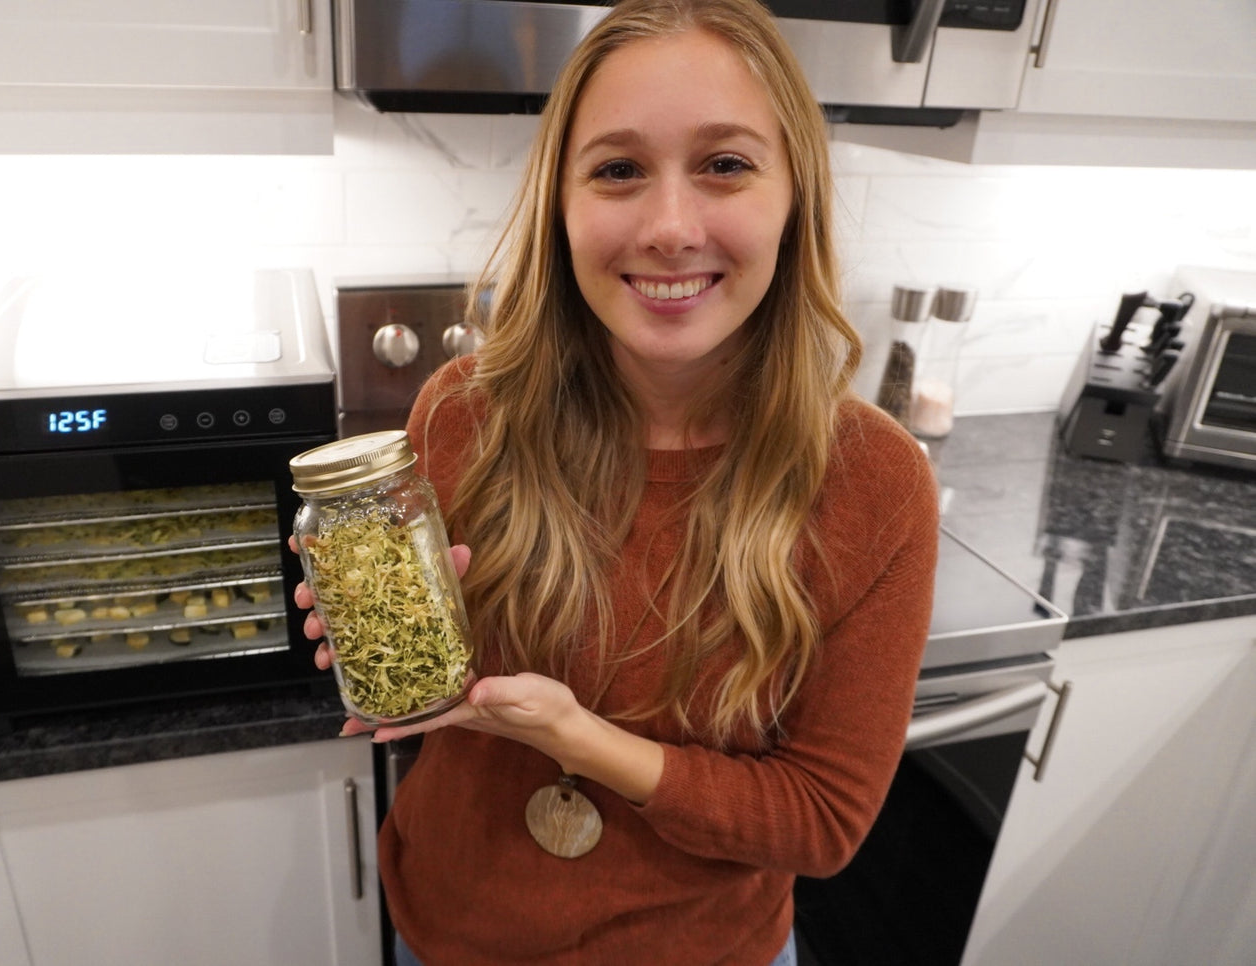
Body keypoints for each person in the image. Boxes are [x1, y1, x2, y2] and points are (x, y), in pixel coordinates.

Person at [293, 1, 939, 963]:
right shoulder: (463, 412)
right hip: (448, 927)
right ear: (562, 200)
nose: (671, 228)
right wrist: (384, 628)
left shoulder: (872, 479)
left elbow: (820, 824)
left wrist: (574, 738)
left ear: (793, 193)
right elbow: (433, 687)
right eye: (618, 169)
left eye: (724, 165)